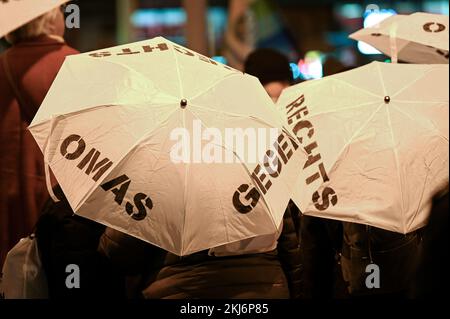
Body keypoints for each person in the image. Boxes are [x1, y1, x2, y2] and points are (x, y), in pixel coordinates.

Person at [0, 5, 78, 265]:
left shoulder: (2, 66)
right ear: (49, 17)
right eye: (62, 10)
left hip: (7, 202)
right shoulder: (74, 65)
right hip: (60, 201)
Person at [98, 202, 301, 299]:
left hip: (184, 292)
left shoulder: (158, 174)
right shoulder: (262, 166)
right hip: (265, 292)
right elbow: (291, 252)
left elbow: (120, 255)